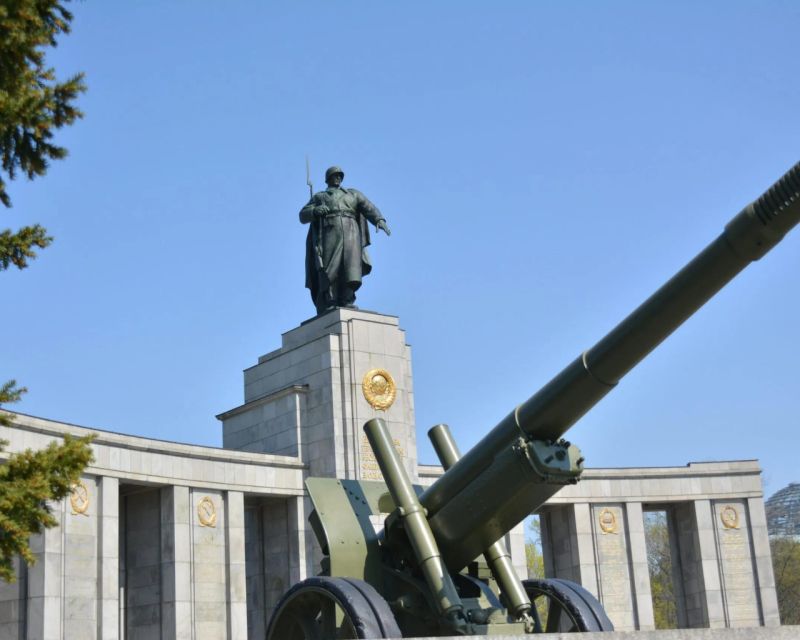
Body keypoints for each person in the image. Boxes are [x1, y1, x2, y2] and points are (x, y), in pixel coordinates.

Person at [300, 166, 391, 314]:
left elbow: (368, 207)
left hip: (351, 232)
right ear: (328, 178)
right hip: (330, 232)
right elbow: (302, 215)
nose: (338, 178)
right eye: (335, 175)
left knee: (351, 266)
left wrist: (379, 220)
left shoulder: (353, 194)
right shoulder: (320, 197)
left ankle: (348, 300)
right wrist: (315, 211)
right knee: (330, 268)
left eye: (340, 175)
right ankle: (331, 300)